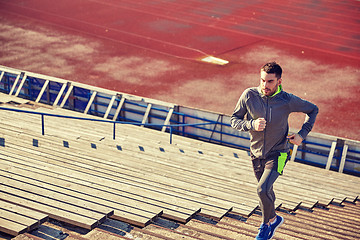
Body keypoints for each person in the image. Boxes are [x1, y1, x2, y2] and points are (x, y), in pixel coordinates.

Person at [230, 62, 318, 240]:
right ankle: (274, 219)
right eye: (262, 80)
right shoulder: (249, 95)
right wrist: (251, 124)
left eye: (270, 81)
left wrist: (302, 134)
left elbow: (313, 109)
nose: (265, 85)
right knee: (266, 191)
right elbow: (234, 120)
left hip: (279, 153)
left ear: (279, 81)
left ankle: (265, 225)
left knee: (262, 189)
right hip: (256, 154)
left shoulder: (286, 100)